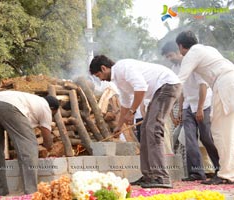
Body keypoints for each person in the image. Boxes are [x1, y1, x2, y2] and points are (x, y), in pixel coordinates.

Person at [89, 55, 181, 188]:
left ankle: (161, 176)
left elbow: (141, 87)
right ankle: (149, 175)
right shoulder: (119, 81)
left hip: (167, 85)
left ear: (104, 68)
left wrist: (132, 112)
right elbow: (125, 104)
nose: (101, 80)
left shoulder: (123, 67)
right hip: (160, 90)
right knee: (144, 130)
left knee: (153, 129)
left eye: (99, 75)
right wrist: (119, 126)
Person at [176, 30, 234, 184]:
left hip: (225, 83)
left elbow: (179, 81)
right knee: (227, 131)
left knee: (220, 131)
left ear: (181, 46)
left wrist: (163, 104)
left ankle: (225, 174)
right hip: (229, 79)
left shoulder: (192, 54)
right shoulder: (208, 49)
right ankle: (228, 172)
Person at [0, 91, 59, 195]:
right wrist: (49, 148)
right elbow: (47, 139)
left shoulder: (32, 100)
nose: (52, 117)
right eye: (54, 114)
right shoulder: (45, 107)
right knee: (29, 146)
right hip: (9, 106)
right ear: (53, 108)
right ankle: (31, 191)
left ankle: (0, 190)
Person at [161, 41, 219, 181]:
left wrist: (199, 108)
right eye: (167, 57)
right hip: (187, 105)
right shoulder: (175, 68)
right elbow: (180, 90)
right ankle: (196, 173)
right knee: (189, 140)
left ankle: (220, 168)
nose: (170, 59)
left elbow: (203, 87)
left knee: (206, 138)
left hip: (203, 104)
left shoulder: (193, 62)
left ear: (179, 50)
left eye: (171, 55)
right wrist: (180, 110)